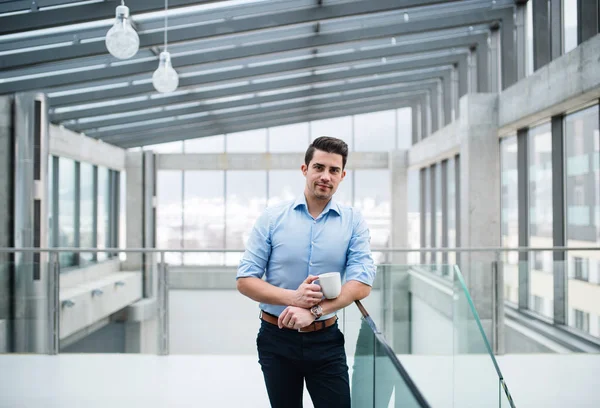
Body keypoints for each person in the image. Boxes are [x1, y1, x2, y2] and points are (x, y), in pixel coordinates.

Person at [236, 136, 376, 408]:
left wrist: (312, 311)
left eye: (334, 170)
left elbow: (361, 284)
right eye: (319, 167)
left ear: (342, 175)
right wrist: (294, 298)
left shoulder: (353, 222)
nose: (326, 176)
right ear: (305, 169)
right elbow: (245, 281)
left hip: (326, 340)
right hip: (275, 339)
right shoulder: (272, 218)